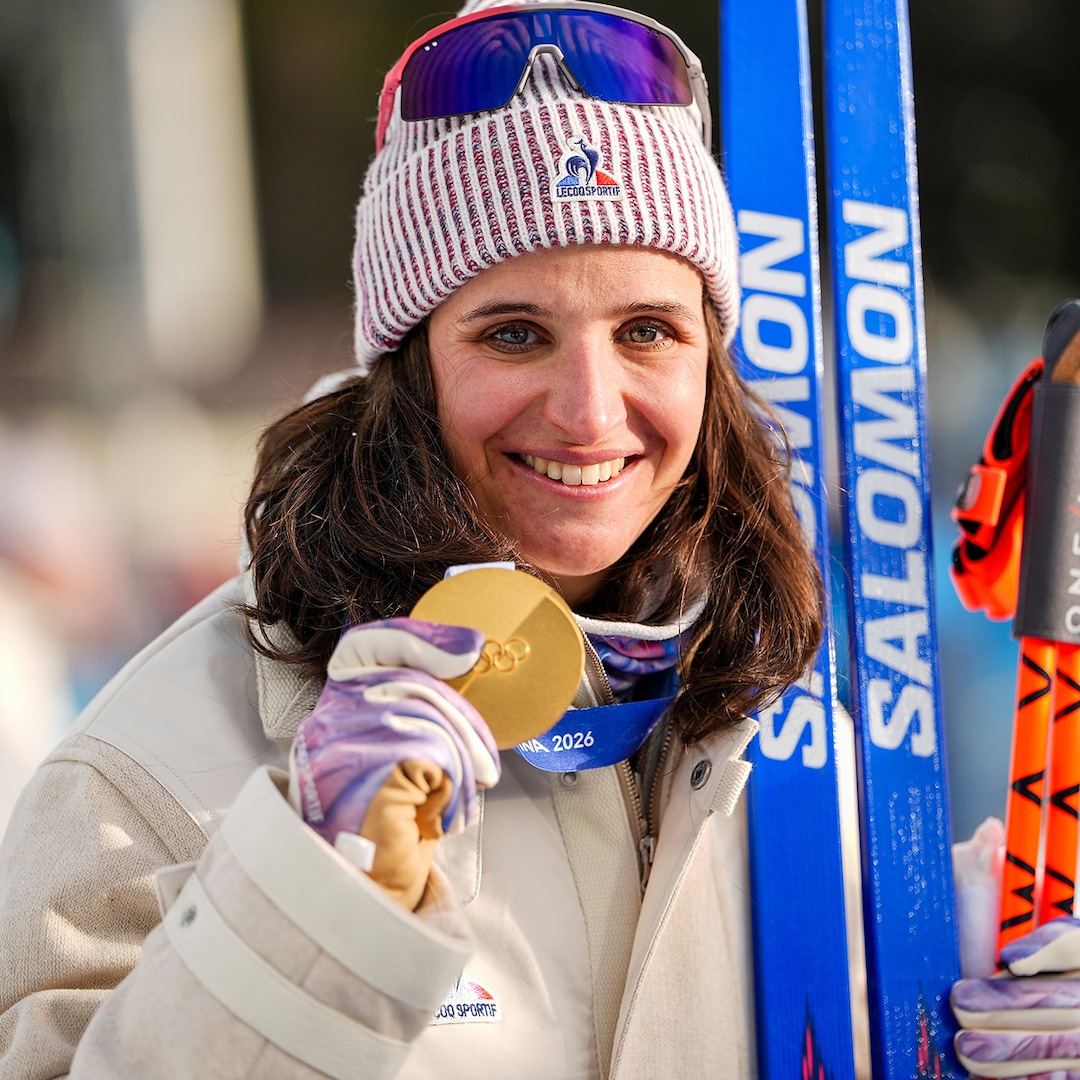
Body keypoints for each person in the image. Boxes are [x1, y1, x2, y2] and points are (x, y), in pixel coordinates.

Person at [0, 1, 823, 1076]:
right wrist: (306, 910)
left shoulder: (821, 718)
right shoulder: (143, 775)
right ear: (408, 366)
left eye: (648, 331)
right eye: (515, 334)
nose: (589, 411)